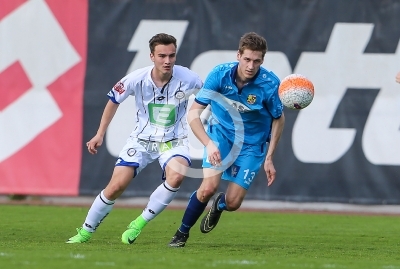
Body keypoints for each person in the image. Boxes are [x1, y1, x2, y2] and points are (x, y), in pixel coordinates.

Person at [66, 33, 202, 244]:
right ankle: (85, 232)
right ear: (151, 56)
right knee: (116, 186)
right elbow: (113, 100)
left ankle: (139, 223)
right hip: (141, 140)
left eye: (172, 56)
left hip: (173, 141)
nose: (167, 61)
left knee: (176, 176)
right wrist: (99, 133)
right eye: (162, 56)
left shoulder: (190, 78)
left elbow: (209, 98)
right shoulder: (136, 78)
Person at [168, 32, 285, 247]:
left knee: (233, 202)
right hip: (220, 135)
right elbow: (194, 113)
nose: (251, 66)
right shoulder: (220, 75)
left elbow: (279, 119)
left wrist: (270, 157)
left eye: (256, 61)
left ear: (262, 60)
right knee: (207, 188)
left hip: (252, 145)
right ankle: (181, 234)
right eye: (247, 59)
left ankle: (219, 206)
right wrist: (209, 143)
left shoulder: (270, 84)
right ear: (238, 55)